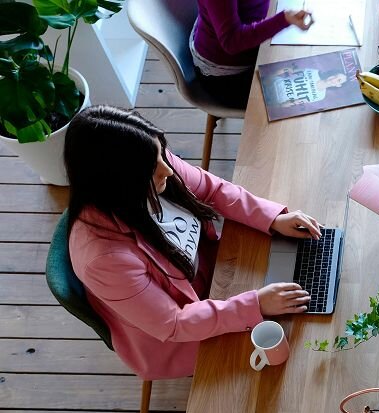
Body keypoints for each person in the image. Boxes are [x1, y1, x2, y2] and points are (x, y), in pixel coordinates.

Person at [65, 105, 322, 380]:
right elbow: (174, 323)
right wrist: (254, 304)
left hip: (216, 276)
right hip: (178, 336)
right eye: (155, 167)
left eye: (162, 154)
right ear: (119, 182)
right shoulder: (104, 260)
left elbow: (212, 189)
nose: (169, 170)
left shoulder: (147, 162)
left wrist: (272, 219)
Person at [190, 0, 314, 109]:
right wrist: (283, 19)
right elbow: (231, 41)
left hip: (254, 46)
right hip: (227, 77)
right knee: (300, 102)